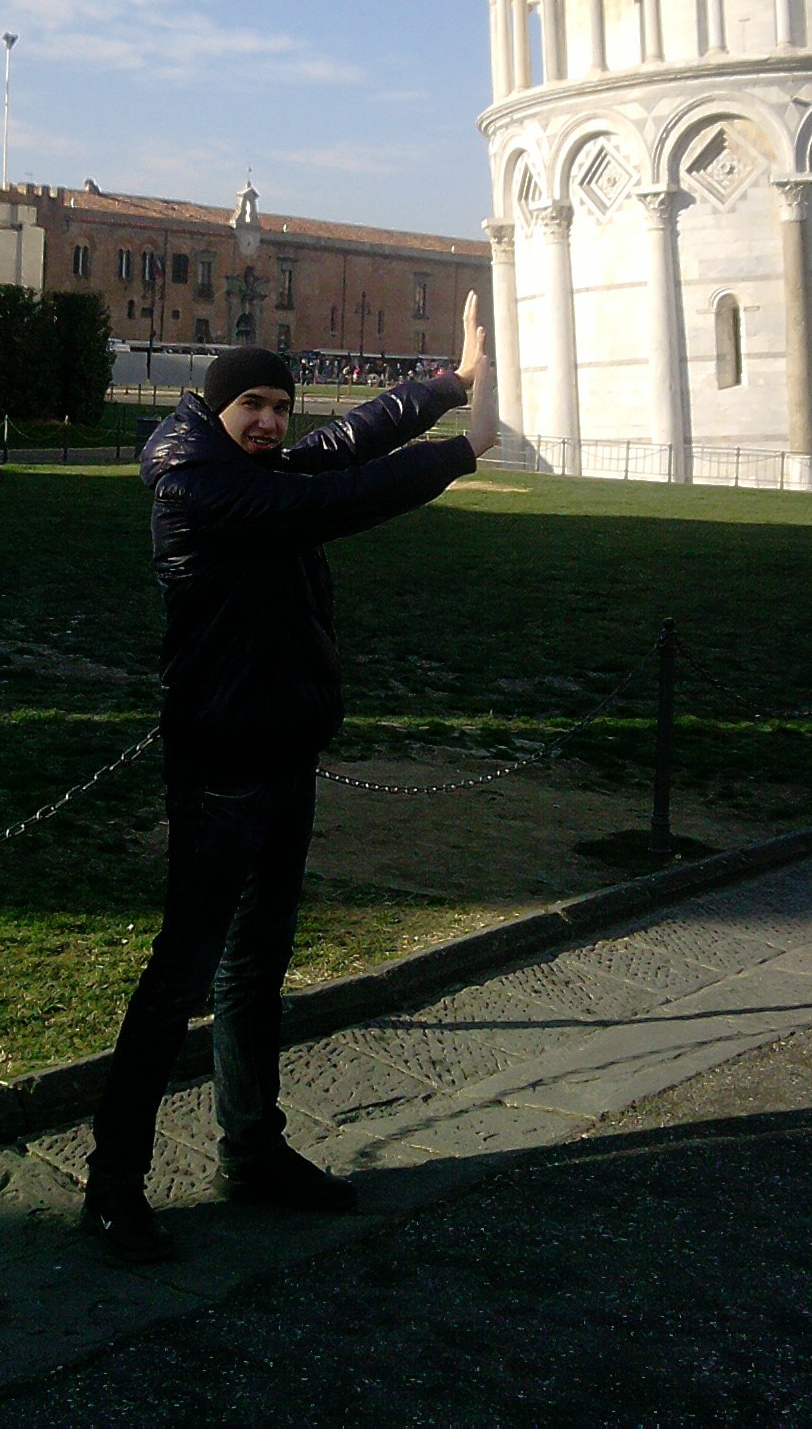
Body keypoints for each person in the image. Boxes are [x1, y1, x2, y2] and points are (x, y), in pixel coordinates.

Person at [82, 293, 499, 1262]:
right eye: (252, 405)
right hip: (220, 762)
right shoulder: (199, 485)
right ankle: (112, 1182)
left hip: (281, 751)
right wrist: (465, 448)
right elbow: (329, 500)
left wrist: (447, 383)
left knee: (256, 962)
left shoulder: (252, 470)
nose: (270, 420)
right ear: (214, 410)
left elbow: (345, 443)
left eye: (280, 404)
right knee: (182, 972)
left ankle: (253, 1150)